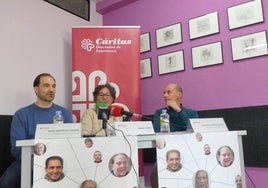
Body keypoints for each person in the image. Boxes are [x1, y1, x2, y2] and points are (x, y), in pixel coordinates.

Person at [0, 73, 73, 188]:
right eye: (46, 85)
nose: (51, 89)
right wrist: (35, 161)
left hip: (59, 160)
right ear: (36, 89)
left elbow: (71, 143)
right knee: (6, 182)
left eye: (54, 86)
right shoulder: (21, 114)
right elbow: (16, 148)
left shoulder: (65, 114)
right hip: (27, 160)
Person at [151, 83, 198, 188]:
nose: (165, 95)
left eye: (168, 92)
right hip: (166, 154)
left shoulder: (192, 113)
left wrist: (179, 111)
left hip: (189, 154)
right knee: (156, 172)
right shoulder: (160, 113)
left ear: (179, 94)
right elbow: (158, 132)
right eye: (164, 93)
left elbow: (195, 130)